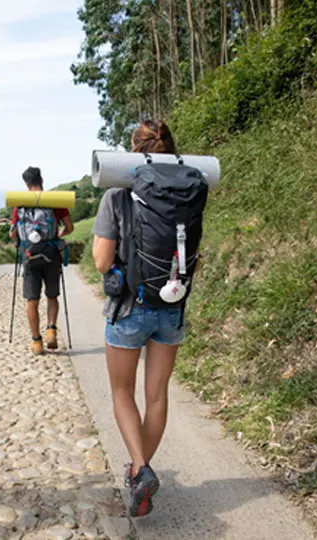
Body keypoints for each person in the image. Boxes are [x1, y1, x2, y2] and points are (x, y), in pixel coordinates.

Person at [90, 120, 188, 517]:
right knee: (157, 396)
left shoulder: (117, 195)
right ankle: (138, 471)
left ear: (133, 152)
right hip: (173, 305)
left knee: (121, 392)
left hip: (129, 307)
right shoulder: (187, 192)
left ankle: (141, 469)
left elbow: (100, 261)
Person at [9, 166, 74, 354]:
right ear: (41, 180)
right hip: (51, 253)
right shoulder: (55, 201)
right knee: (52, 296)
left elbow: (13, 234)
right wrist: (57, 235)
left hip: (29, 256)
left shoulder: (20, 204)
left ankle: (36, 341)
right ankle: (51, 330)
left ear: (26, 184)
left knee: (32, 300)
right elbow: (69, 227)